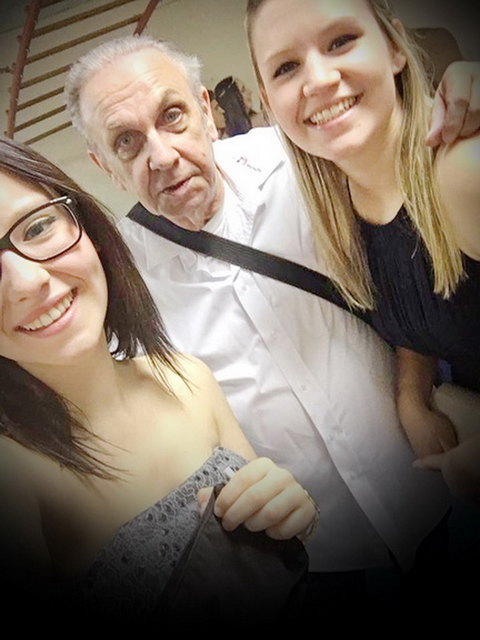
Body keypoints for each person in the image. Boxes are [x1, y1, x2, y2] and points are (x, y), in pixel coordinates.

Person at [64, 33, 478, 611]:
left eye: (173, 115)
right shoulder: (121, 291)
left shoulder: (307, 162)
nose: (160, 156)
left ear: (207, 111)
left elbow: (406, 268)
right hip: (317, 553)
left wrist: (413, 393)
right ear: (103, 165)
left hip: (432, 485)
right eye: (127, 142)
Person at [0, 135, 316, 624]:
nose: (26, 282)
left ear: (84, 224)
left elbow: (271, 547)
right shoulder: (14, 478)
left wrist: (282, 510)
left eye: (37, 226)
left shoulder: (189, 379)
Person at [245, 0, 480, 604]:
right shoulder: (344, 212)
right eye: (287, 66)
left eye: (342, 40)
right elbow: (421, 307)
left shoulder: (460, 172)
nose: (319, 79)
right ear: (267, 101)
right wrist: (410, 397)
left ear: (396, 48)